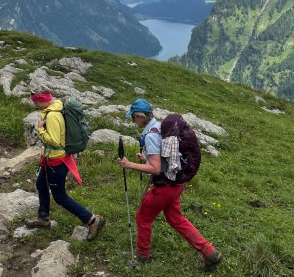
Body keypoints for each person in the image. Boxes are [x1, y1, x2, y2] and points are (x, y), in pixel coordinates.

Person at [118, 98, 222, 270]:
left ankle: (142, 254)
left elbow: (156, 169)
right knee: (176, 218)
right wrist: (147, 158)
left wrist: (129, 165)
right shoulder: (160, 127)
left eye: (133, 117)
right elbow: (165, 156)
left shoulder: (150, 135)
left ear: (141, 117)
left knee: (142, 217)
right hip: (176, 183)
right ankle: (210, 252)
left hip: (164, 187)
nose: (132, 121)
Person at [25, 89, 105, 241]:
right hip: (50, 159)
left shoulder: (53, 115)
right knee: (41, 185)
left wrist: (41, 129)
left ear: (42, 101)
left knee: (60, 197)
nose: (36, 105)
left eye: (36, 103)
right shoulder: (54, 108)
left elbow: (54, 141)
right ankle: (43, 218)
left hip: (57, 162)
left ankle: (92, 220)